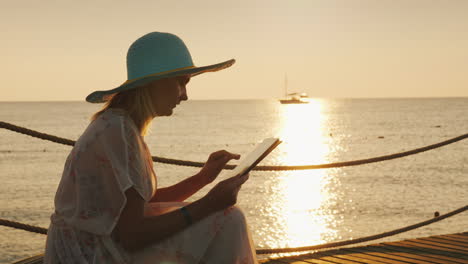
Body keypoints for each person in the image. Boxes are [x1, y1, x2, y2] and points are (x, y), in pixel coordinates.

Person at [44, 32, 258, 264]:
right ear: (154, 83)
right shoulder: (117, 130)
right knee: (228, 218)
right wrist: (209, 203)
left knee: (220, 216)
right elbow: (133, 236)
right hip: (88, 255)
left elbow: (140, 206)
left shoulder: (121, 125)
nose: (185, 95)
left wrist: (202, 178)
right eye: (181, 82)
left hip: (95, 245)